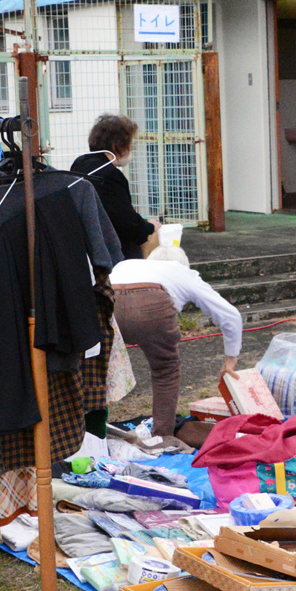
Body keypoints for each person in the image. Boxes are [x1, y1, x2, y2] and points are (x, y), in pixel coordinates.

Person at [109, 245, 242, 440]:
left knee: (97, 367)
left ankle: (92, 432)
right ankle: (162, 435)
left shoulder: (126, 264)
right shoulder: (183, 272)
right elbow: (230, 315)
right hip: (152, 304)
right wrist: (230, 359)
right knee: (165, 369)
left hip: (108, 302)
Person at [72, 115, 159, 260]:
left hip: (83, 242)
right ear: (116, 146)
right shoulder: (110, 175)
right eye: (129, 145)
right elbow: (126, 222)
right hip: (110, 250)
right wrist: (150, 227)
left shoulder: (80, 163)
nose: (130, 150)